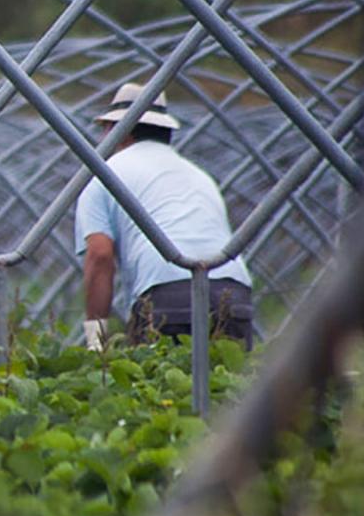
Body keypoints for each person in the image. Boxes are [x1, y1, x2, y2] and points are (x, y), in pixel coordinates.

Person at [74, 81, 255, 350]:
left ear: (118, 132)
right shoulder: (198, 174)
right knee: (229, 388)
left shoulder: (105, 175)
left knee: (156, 386)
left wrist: (95, 341)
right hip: (233, 294)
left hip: (166, 296)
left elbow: (99, 255)